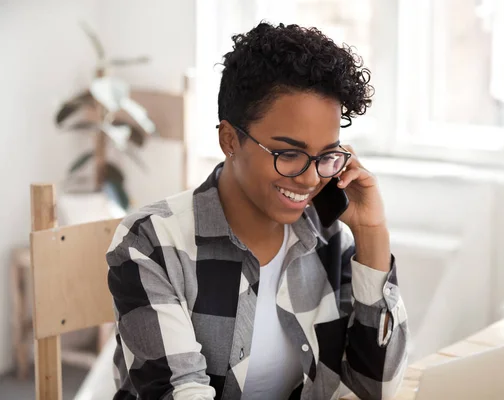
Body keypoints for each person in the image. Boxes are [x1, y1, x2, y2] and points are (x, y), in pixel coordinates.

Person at [106, 22, 408, 400]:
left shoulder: (327, 238)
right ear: (229, 140)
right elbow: (181, 393)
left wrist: (372, 233)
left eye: (326, 155)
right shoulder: (152, 243)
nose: (311, 178)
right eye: (289, 154)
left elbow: (376, 388)